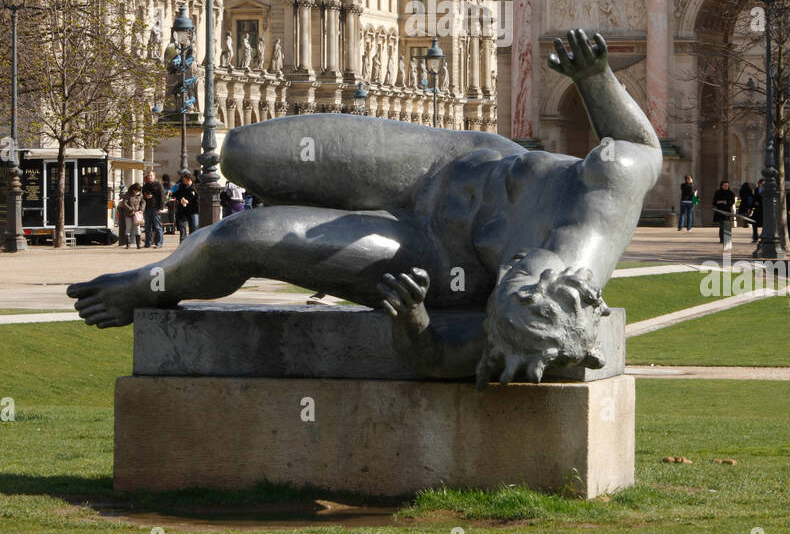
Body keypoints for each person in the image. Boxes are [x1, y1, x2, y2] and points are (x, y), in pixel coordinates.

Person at [70, 30, 664, 388]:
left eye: (506, 303)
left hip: (422, 251)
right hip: (444, 162)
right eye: (522, 288)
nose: (511, 283)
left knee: (243, 237)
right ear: (569, 289)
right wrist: (597, 79)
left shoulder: (501, 331)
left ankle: (148, 285)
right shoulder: (602, 195)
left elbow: (436, 362)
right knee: (241, 149)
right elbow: (640, 145)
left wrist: (415, 321)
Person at [141, 168, 165, 249]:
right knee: (147, 226)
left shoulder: (158, 185)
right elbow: (143, 195)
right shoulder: (145, 185)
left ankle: (159, 243)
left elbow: (162, 197)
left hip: (156, 208)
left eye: (151, 176)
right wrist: (146, 196)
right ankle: (148, 243)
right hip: (147, 208)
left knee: (157, 226)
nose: (150, 177)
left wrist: (161, 208)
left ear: (154, 176)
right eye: (149, 176)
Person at [173, 169, 199, 240]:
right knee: (182, 227)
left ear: (188, 180)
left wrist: (188, 201)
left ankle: (192, 241)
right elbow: (176, 194)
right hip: (182, 210)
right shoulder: (181, 186)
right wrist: (181, 199)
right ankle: (183, 242)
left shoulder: (195, 188)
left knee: (194, 227)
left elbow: (197, 200)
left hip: (192, 210)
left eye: (185, 180)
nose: (184, 182)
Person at [120, 183, 145, 249]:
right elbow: (124, 203)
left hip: (137, 214)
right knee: (128, 228)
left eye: (138, 190)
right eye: (136, 190)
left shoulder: (140, 195)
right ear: (133, 189)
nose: (137, 192)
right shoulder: (127, 194)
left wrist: (141, 209)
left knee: (137, 229)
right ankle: (128, 244)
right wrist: (131, 210)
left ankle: (138, 244)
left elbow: (143, 202)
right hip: (129, 214)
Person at [712, 179, 735, 245]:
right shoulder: (718, 192)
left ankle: (727, 239)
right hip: (720, 211)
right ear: (721, 186)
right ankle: (722, 239)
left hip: (727, 211)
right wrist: (720, 202)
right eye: (724, 185)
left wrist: (727, 202)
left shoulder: (730, 192)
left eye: (727, 185)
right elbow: (714, 202)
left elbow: (732, 201)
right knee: (722, 226)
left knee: (727, 226)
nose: (726, 186)